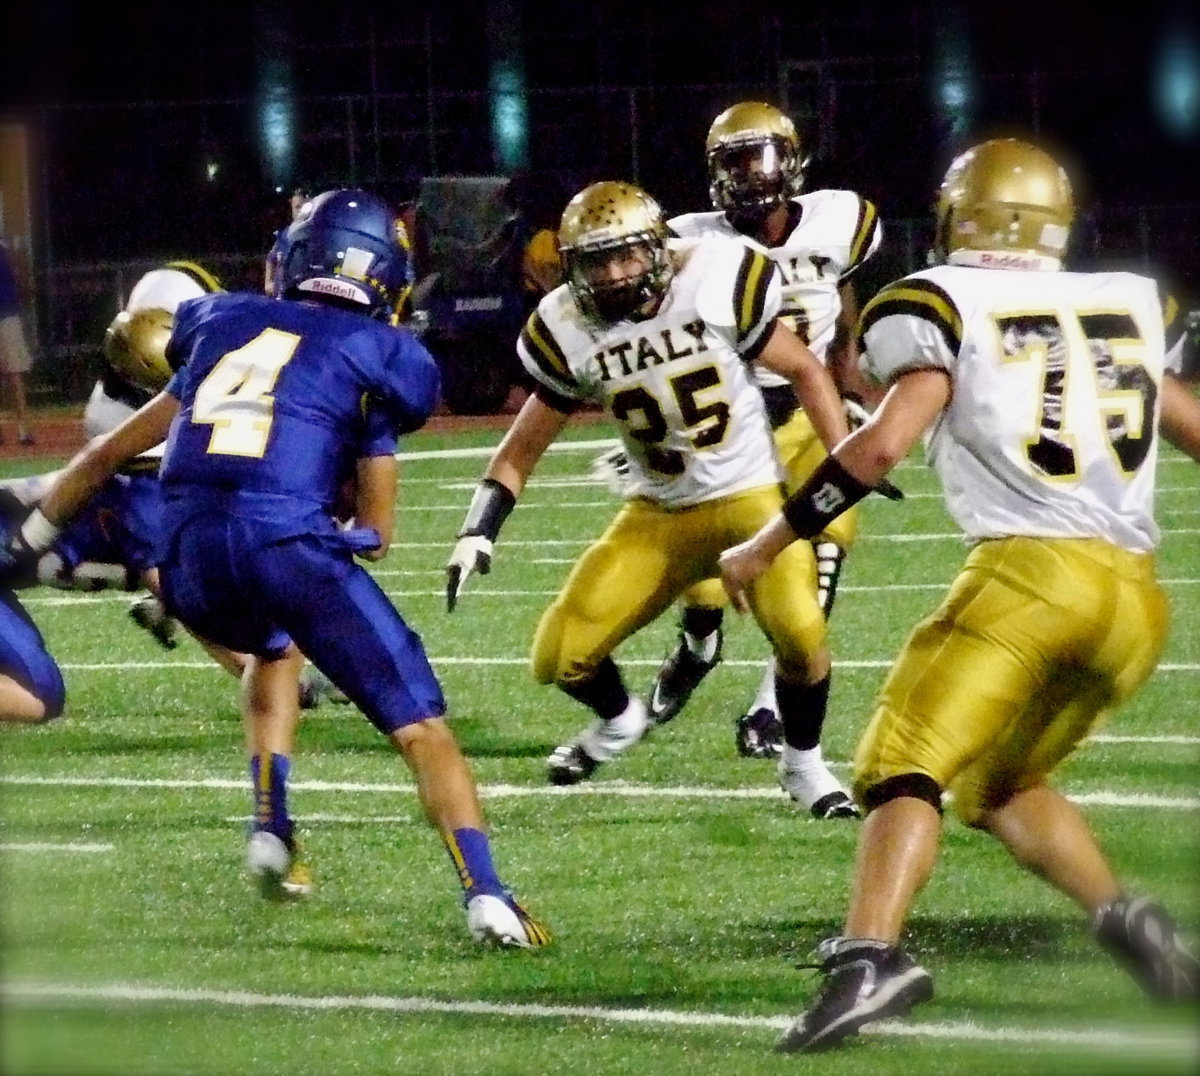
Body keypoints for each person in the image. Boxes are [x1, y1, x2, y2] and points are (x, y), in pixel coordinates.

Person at [716, 137, 1200, 1052]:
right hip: (1134, 605)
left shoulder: (943, 298)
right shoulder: (1125, 301)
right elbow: (1191, 425)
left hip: (1029, 577)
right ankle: (1132, 925)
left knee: (898, 762)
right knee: (1001, 785)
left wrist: (767, 540)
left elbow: (881, 444)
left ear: (960, 213)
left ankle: (869, 960)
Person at [9, 188, 549, 948]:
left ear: (294, 258)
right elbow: (378, 531)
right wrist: (332, 533)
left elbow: (105, 455)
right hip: (282, 542)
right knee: (423, 729)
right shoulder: (384, 356)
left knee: (272, 650)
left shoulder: (221, 322)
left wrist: (33, 534)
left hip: (187, 552)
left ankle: (271, 828)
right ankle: (488, 895)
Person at [445, 179, 859, 797]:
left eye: (626, 255)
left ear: (658, 248)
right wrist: (479, 528)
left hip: (751, 500)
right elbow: (521, 448)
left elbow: (803, 367)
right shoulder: (567, 324)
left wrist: (843, 456)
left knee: (801, 633)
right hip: (659, 514)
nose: (613, 274)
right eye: (595, 261)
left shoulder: (715, 278)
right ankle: (619, 721)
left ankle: (803, 763)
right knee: (559, 655)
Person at [636, 102, 892, 806]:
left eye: (762, 156)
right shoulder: (689, 239)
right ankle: (697, 646)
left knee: (823, 548)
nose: (750, 173)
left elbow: (843, 316)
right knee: (706, 583)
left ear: (792, 160)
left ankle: (770, 705)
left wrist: (856, 397)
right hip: (732, 421)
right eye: (734, 160)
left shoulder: (839, 220)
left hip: (812, 412)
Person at [0, 239, 37, 446]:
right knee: (14, 375)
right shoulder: (5, 249)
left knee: (14, 374)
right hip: (9, 314)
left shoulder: (3, 249)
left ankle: (24, 428)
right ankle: (23, 429)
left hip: (7, 314)